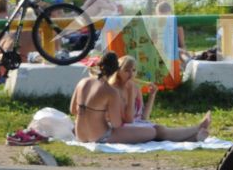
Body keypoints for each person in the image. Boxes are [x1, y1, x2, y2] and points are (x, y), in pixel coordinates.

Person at [68, 52, 208, 145]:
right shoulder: (110, 91)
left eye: (133, 70)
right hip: (100, 137)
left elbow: (73, 110)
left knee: (155, 130)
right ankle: (196, 128)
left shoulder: (83, 82)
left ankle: (194, 137)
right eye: (127, 70)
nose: (131, 74)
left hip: (81, 136)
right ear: (116, 70)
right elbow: (117, 125)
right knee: (153, 131)